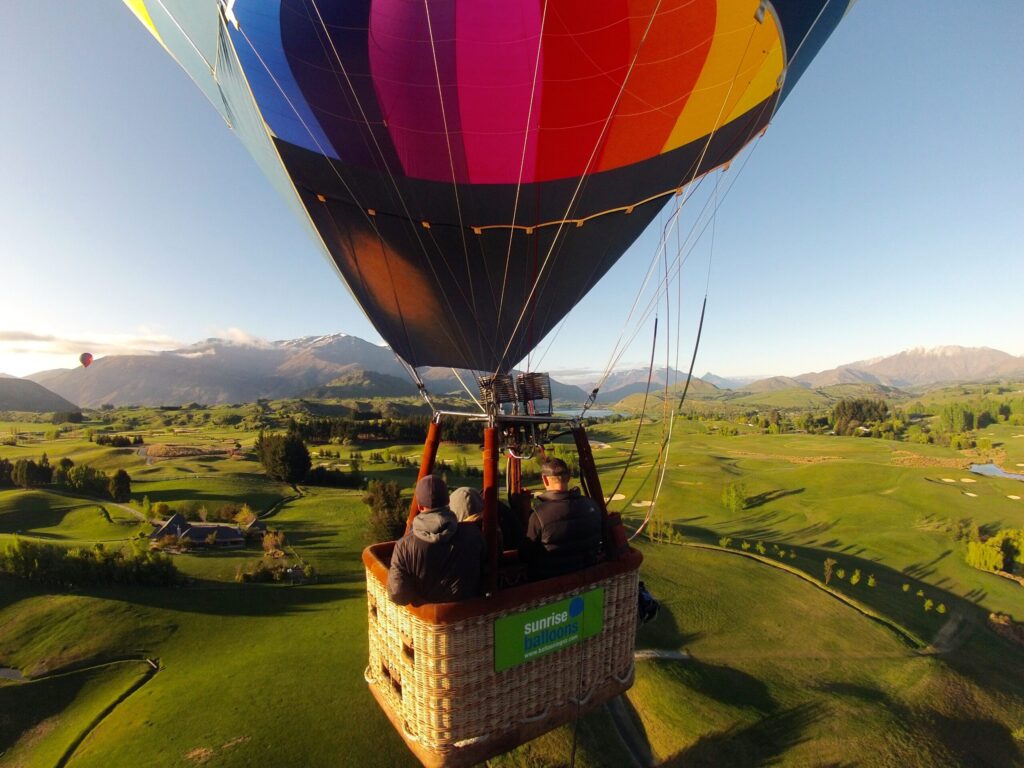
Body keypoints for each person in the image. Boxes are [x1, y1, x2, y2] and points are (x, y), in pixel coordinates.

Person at [387, 475, 486, 606]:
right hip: (469, 616)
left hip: (427, 622)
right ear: (447, 502)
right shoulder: (473, 533)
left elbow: (398, 595)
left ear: (420, 507)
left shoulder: (404, 546)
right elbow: (487, 569)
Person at [519, 458, 603, 579]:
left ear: (544, 480)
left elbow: (525, 555)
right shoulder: (592, 505)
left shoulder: (539, 515)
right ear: (568, 478)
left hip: (550, 584)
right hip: (587, 580)